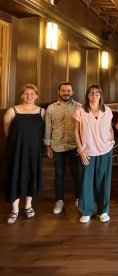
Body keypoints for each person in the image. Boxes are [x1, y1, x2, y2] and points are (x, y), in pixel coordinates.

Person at [3, 84, 45, 224]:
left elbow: (45, 131)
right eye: (26, 93)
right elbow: (7, 130)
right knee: (15, 175)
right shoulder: (12, 110)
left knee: (31, 175)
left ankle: (28, 205)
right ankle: (14, 209)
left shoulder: (42, 112)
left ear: (36, 96)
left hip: (34, 151)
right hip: (16, 150)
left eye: (32, 93)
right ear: (21, 95)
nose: (29, 96)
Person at [74, 84, 114, 223]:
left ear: (101, 95)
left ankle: (103, 211)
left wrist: (112, 141)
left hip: (105, 151)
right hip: (88, 152)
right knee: (86, 182)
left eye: (97, 93)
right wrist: (81, 150)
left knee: (104, 182)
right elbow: (76, 132)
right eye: (91, 93)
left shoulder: (107, 110)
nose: (94, 95)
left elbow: (110, 128)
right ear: (87, 95)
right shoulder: (80, 111)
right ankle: (86, 211)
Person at [44, 82, 82, 214]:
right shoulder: (51, 108)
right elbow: (48, 127)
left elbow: (84, 128)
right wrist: (48, 146)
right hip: (57, 146)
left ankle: (79, 199)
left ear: (73, 92)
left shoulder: (80, 107)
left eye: (69, 90)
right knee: (59, 174)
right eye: (64, 90)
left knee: (77, 174)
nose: (66, 93)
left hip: (74, 146)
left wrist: (82, 146)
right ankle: (59, 200)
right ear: (58, 92)